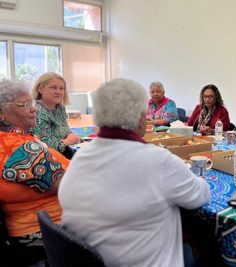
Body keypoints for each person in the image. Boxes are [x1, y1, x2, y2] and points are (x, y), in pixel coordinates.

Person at [58, 78, 210, 267]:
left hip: (84, 258)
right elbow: (200, 196)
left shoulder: (80, 156)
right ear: (140, 119)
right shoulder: (158, 160)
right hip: (143, 261)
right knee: (204, 242)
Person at [0, 80, 68, 248]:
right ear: (2, 112)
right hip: (45, 230)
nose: (33, 109)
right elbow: (68, 184)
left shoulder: (16, 138)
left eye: (31, 103)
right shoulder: (16, 147)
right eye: (24, 105)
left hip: (45, 224)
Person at [31, 72, 80, 158]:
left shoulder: (60, 108)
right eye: (53, 87)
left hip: (65, 152)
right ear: (40, 89)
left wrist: (70, 135)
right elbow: (45, 147)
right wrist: (69, 141)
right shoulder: (36, 112)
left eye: (62, 88)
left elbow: (65, 131)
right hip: (48, 159)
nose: (58, 92)